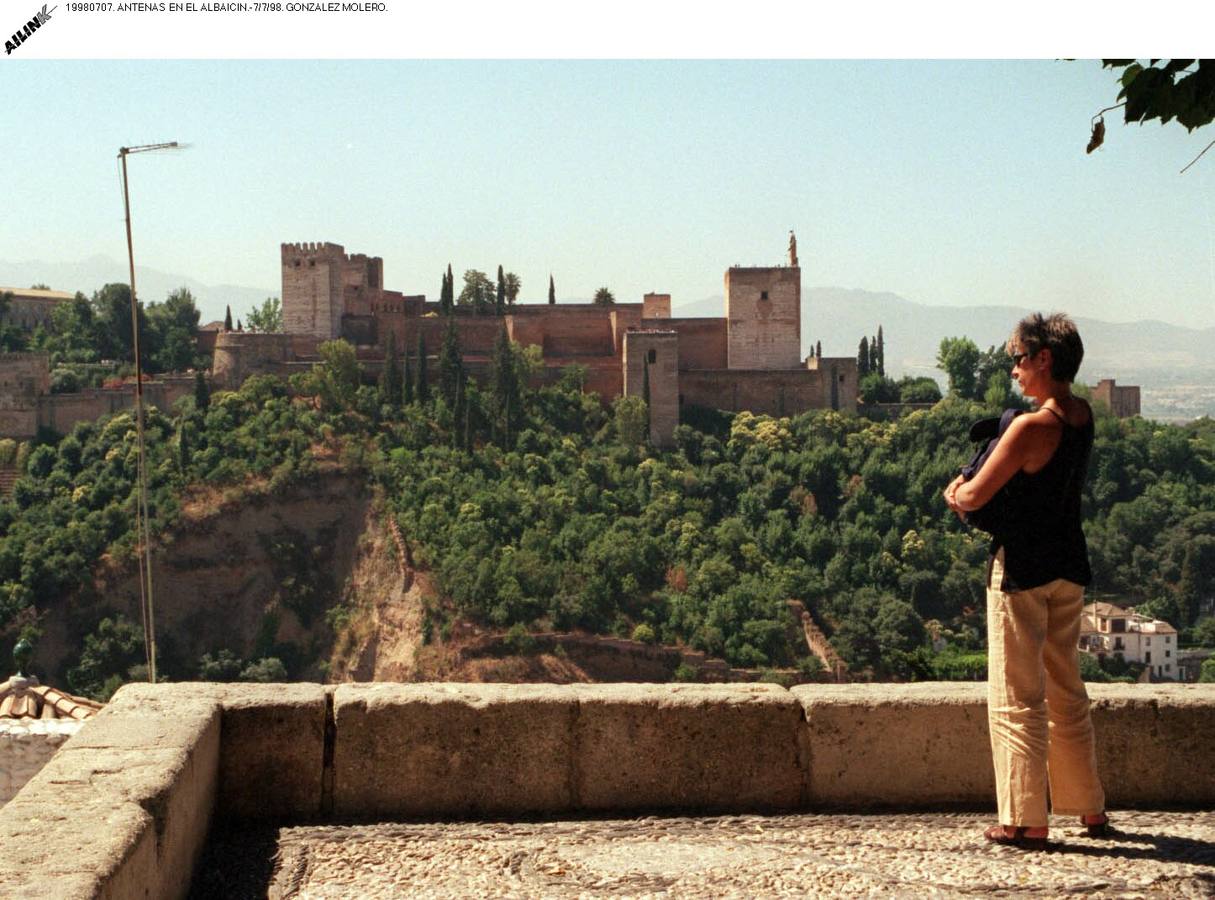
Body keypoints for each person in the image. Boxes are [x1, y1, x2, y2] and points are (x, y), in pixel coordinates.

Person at [943, 312, 1108, 849]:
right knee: (1066, 690)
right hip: (1068, 567)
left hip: (1022, 572)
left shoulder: (1031, 427)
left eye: (1018, 358)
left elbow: (974, 496)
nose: (1013, 369)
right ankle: (1088, 807)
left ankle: (1024, 819)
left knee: (1016, 696)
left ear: (1043, 359)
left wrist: (955, 492)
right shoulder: (1082, 416)